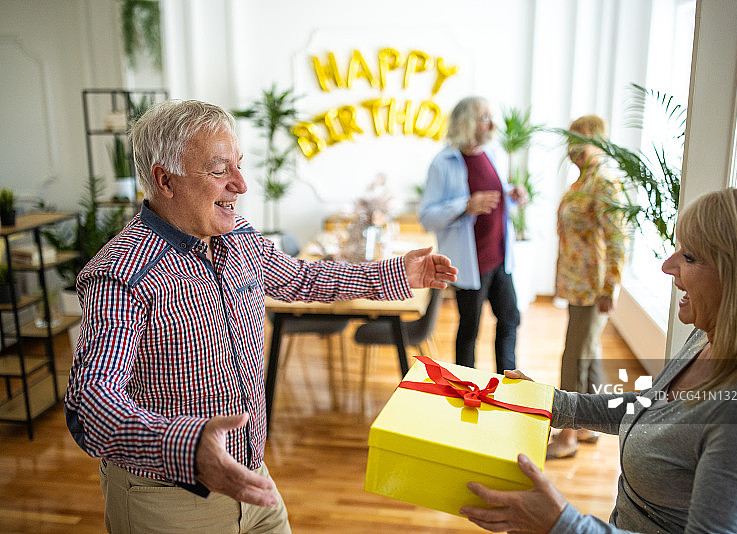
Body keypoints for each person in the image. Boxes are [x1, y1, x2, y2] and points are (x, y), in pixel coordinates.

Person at [63, 99, 457, 533]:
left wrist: (397, 272)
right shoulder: (121, 276)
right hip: (169, 500)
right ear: (164, 179)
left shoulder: (238, 240)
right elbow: (90, 405)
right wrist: (189, 448)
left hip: (253, 480)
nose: (241, 184)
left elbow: (306, 280)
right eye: (219, 170)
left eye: (239, 165)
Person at [461, 187, 737, 533]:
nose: (668, 265)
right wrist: (555, 404)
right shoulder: (707, 339)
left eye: (690, 257)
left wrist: (561, 524)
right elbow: (648, 406)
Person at [419, 96, 527, 373]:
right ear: (467, 122)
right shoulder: (443, 163)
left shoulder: (492, 154)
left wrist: (511, 193)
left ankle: (509, 383)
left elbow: (493, 197)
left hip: (499, 257)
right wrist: (465, 206)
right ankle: (467, 386)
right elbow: (427, 217)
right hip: (470, 263)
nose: (492, 123)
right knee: (470, 328)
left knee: (510, 319)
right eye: (484, 117)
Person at [547, 114, 626, 459]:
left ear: (597, 143)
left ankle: (567, 436)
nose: (572, 148)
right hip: (578, 285)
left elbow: (617, 240)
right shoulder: (582, 182)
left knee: (575, 358)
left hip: (594, 287)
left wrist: (611, 287)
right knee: (588, 354)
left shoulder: (604, 184)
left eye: (579, 140)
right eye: (569, 141)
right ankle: (589, 427)